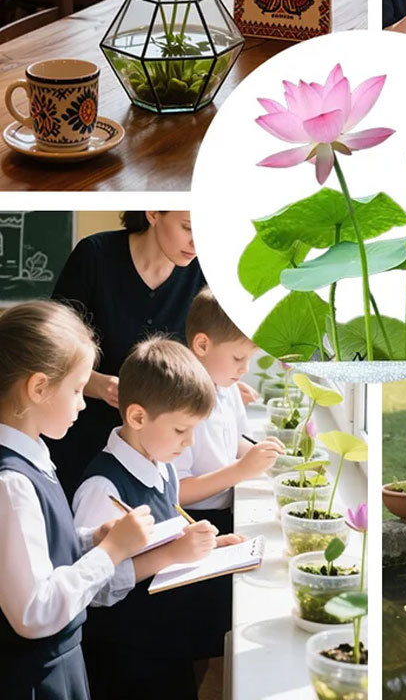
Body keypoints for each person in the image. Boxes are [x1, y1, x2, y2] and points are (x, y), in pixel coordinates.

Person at [73, 337, 243, 700]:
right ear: (137, 416)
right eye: (181, 430)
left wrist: (210, 549)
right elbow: (91, 587)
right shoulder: (103, 489)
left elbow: (165, 534)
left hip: (163, 639)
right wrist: (171, 555)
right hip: (125, 656)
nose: (190, 442)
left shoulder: (161, 464)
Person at [0, 301, 153, 700]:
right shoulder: (12, 484)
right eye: (76, 389)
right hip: (34, 675)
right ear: (37, 387)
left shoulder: (32, 456)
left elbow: (33, 554)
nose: (84, 403)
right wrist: (111, 553)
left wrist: (87, 541)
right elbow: (34, 611)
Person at [49, 211, 206, 500]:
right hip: (80, 433)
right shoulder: (95, 256)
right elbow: (54, 350)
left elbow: (201, 349)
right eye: (187, 228)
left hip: (150, 447)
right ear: (153, 213)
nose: (197, 244)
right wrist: (97, 385)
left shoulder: (203, 271)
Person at [175, 287, 284, 535]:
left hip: (226, 509)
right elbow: (178, 492)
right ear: (202, 345)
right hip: (193, 523)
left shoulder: (227, 388)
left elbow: (233, 443)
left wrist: (265, 454)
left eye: (249, 359)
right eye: (237, 358)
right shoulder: (179, 404)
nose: (244, 369)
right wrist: (241, 470)